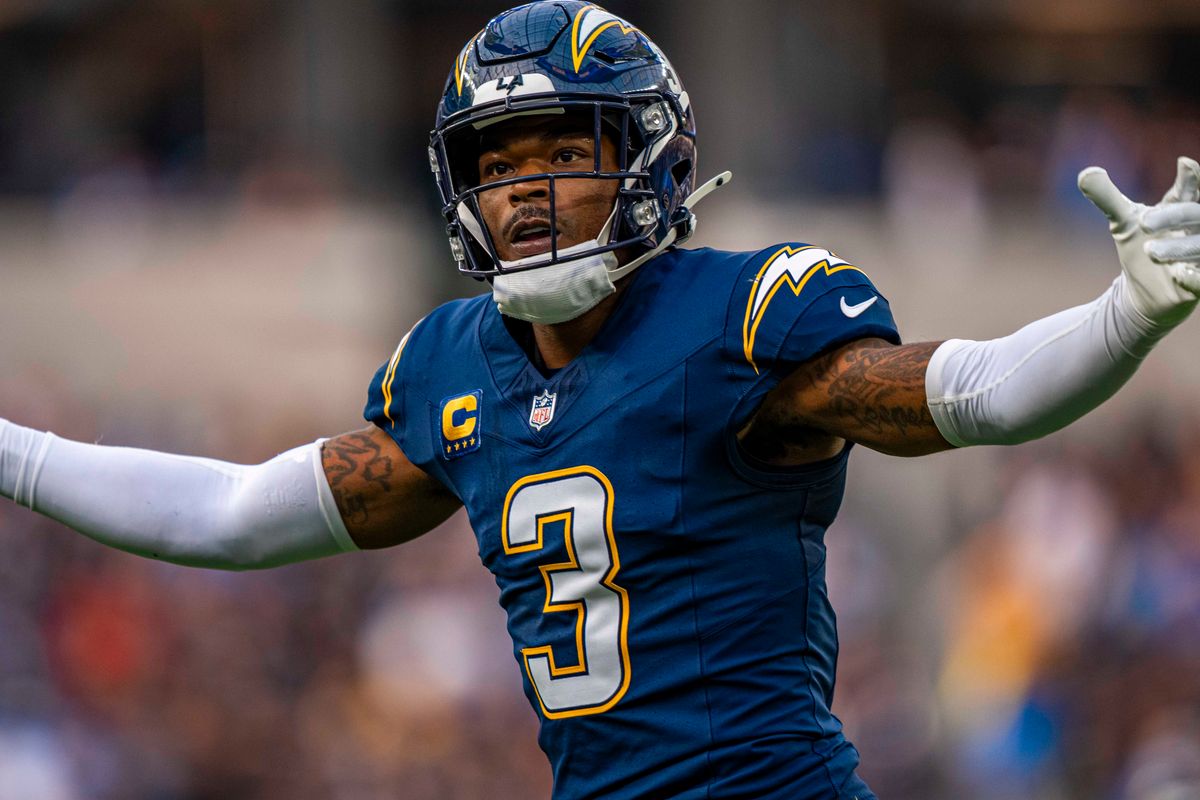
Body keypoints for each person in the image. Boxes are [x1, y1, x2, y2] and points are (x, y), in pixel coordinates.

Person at [2, 3, 1199, 798]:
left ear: (653, 160)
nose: (525, 192)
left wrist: (1124, 315)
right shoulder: (452, 366)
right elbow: (235, 513)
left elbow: (975, 394)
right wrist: (12, 450)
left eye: (558, 152)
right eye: (497, 163)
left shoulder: (741, 320)